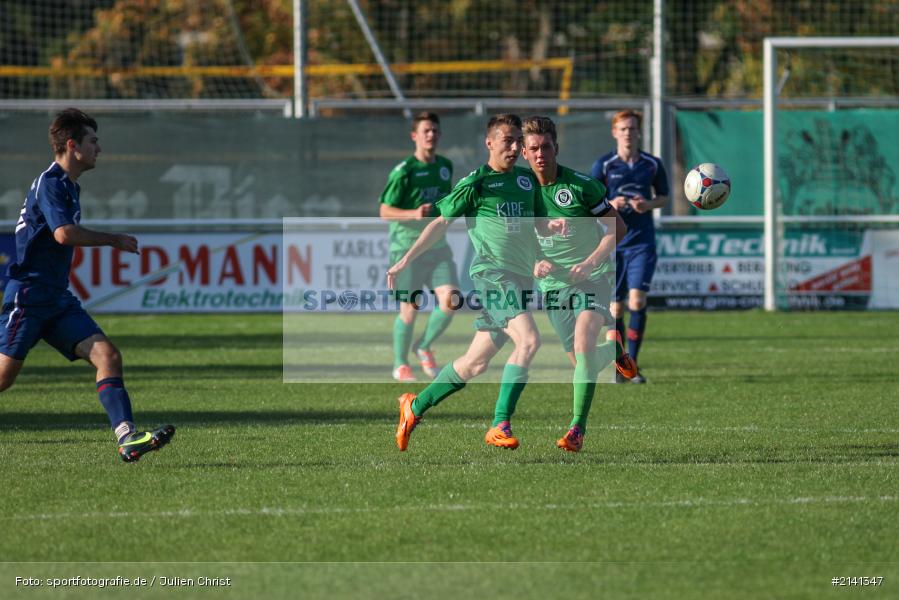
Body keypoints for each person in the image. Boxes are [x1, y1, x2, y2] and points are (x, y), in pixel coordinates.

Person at [0, 108, 174, 463]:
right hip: (30, 296)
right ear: (71, 145)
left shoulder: (69, 186)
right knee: (3, 377)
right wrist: (113, 239)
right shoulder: (52, 183)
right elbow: (63, 234)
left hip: (56, 298)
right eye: (93, 141)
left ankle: (127, 437)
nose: (99, 148)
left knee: (107, 356)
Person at [388, 113, 560, 452]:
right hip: (494, 277)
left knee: (474, 363)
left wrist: (546, 235)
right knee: (529, 341)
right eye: (508, 141)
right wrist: (406, 258)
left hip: (520, 279)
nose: (515, 147)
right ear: (490, 143)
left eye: (517, 142)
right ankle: (500, 423)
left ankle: (414, 406)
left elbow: (532, 225)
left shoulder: (526, 181)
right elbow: (440, 223)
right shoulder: (476, 183)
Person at [521, 116, 636, 452]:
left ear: (556, 148)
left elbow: (619, 228)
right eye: (533, 149)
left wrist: (589, 263)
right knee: (581, 363)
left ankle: (576, 430)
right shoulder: (521, 192)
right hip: (553, 288)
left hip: (593, 278)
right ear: (525, 153)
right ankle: (613, 351)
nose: (540, 154)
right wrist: (532, 262)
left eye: (545, 147)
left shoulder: (581, 186)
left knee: (584, 348)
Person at [379, 112, 459, 382]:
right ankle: (400, 364)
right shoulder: (404, 171)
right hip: (406, 248)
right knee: (410, 309)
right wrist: (413, 214)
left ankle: (423, 346)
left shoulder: (445, 166)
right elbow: (384, 210)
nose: (431, 135)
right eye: (425, 130)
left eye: (435, 130)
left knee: (451, 300)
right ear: (415, 136)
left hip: (437, 248)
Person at [591, 110, 669, 384]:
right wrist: (611, 205)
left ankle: (633, 365)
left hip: (642, 243)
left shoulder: (652, 164)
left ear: (639, 132)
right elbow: (589, 201)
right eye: (623, 129)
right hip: (612, 243)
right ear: (615, 132)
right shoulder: (604, 165)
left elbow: (664, 197)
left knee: (637, 300)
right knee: (616, 310)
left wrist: (647, 205)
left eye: (632, 128)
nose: (628, 133)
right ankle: (621, 365)